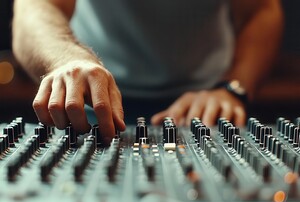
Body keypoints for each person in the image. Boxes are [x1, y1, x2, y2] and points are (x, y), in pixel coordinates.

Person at [12, 0, 283, 145]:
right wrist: (67, 59)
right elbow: (35, 7)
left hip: (205, 109)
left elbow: (261, 11)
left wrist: (231, 89)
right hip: (91, 104)